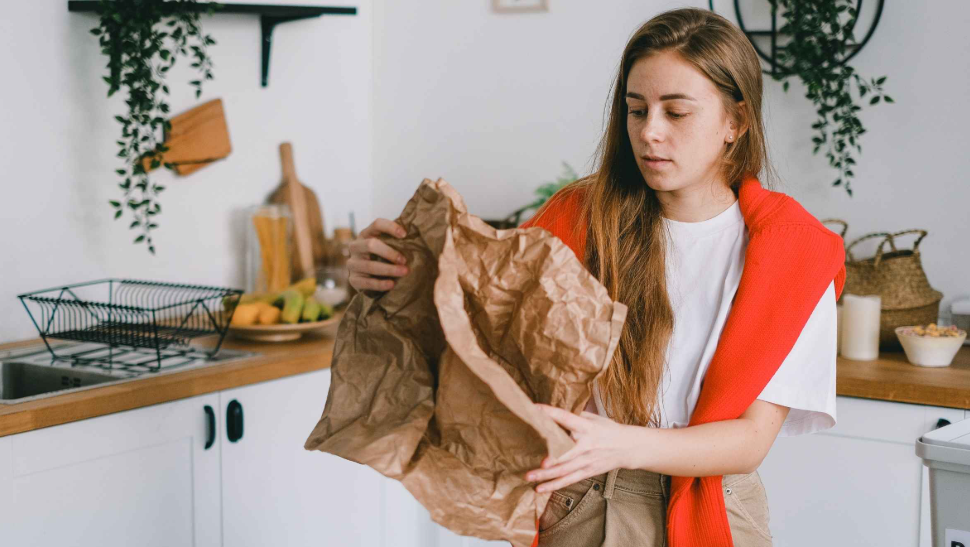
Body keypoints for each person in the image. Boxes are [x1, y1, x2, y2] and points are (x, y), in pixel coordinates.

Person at [347, 7, 844, 547]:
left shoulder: (796, 253)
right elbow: (476, 331)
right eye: (637, 110)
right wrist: (393, 277)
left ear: (735, 123)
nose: (650, 132)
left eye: (676, 113)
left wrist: (624, 445)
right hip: (585, 500)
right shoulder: (576, 219)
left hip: (718, 507)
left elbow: (749, 441)